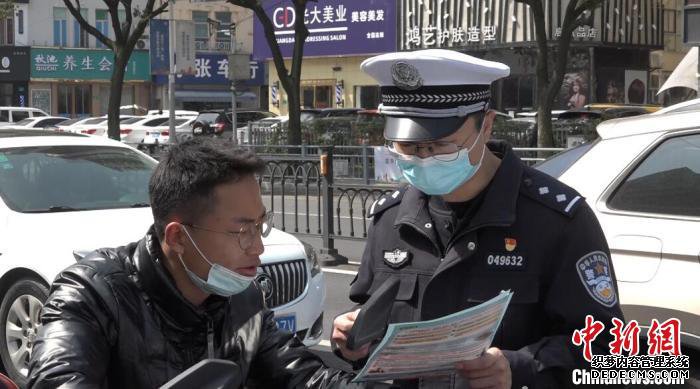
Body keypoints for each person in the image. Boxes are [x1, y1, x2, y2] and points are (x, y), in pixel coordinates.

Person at [331, 49, 624, 388]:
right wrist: (351, 338)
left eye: (441, 146)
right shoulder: (391, 217)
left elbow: (607, 351)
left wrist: (520, 368)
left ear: (486, 125)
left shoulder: (557, 221)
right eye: (408, 147)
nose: (423, 159)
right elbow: (368, 318)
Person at [28, 139, 356, 388]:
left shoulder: (243, 300)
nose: (257, 247)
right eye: (242, 231)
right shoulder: (92, 295)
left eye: (260, 226)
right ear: (178, 238)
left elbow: (301, 375)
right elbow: (59, 379)